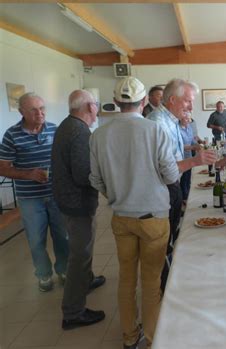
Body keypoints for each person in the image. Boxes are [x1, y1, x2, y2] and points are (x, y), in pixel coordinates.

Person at [90, 77, 180, 349]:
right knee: (151, 283)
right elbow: (172, 174)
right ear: (144, 102)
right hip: (153, 216)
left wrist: (118, 193)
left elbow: (95, 180)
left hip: (121, 217)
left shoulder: (98, 134)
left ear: (116, 102)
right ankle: (153, 339)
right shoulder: (154, 130)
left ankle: (130, 336)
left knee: (126, 279)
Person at [147, 78, 217, 290]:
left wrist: (192, 149)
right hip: (164, 188)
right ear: (172, 100)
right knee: (163, 243)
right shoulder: (158, 123)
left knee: (171, 236)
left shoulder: (169, 121)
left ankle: (168, 280)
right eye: (187, 101)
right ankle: (163, 288)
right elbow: (164, 169)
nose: (191, 107)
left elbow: (173, 151)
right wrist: (196, 160)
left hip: (172, 186)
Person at [0, 93, 69, 292]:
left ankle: (64, 270)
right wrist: (28, 174)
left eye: (42, 108)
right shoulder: (12, 135)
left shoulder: (55, 129)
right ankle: (44, 275)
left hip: (56, 194)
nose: (40, 113)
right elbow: (3, 167)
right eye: (33, 110)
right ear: (21, 112)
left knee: (62, 236)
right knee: (36, 239)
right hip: (30, 198)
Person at [52, 90, 106, 330]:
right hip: (77, 202)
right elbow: (84, 175)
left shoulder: (67, 125)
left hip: (67, 199)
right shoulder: (79, 132)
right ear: (88, 107)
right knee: (79, 254)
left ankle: (87, 280)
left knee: (84, 247)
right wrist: (108, 178)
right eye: (95, 104)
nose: (97, 109)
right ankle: (73, 312)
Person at [179, 113, 201, 201]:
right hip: (180, 158)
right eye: (186, 119)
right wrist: (193, 147)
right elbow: (178, 146)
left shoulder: (189, 128)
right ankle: (183, 199)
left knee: (188, 178)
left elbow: (192, 141)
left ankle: (187, 198)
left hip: (189, 156)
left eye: (189, 119)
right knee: (182, 180)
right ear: (180, 118)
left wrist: (199, 145)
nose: (189, 121)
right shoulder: (177, 129)